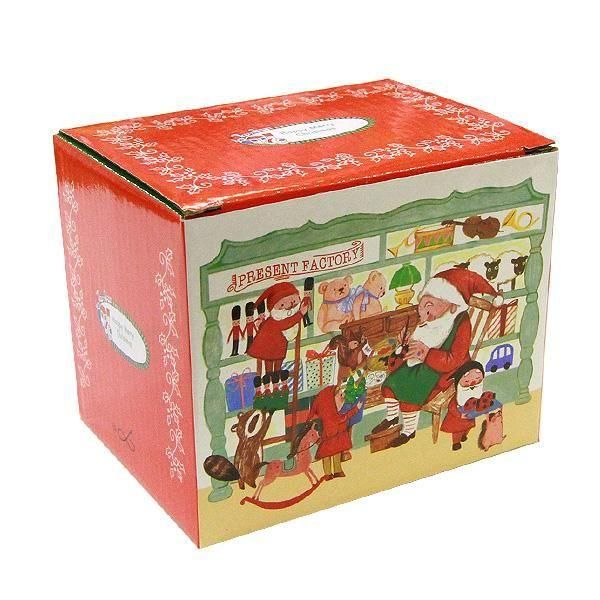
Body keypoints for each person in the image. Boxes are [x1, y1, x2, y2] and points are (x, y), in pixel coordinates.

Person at [372, 268, 503, 447]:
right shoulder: (431, 321)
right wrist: (406, 344)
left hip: (447, 370)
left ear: (452, 304)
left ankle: (408, 431)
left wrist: (427, 353)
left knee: (411, 387)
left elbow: (455, 359)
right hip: (422, 363)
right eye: (423, 306)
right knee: (393, 380)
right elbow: (418, 343)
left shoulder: (460, 322)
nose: (425, 313)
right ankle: (392, 417)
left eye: (430, 305)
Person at [247, 282, 309, 390]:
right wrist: (300, 314)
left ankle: (275, 382)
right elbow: (286, 323)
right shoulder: (276, 320)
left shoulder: (276, 318)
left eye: (293, 302)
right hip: (269, 347)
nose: (289, 306)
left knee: (277, 364)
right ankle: (270, 385)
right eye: (282, 305)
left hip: (278, 346)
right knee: (270, 365)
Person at [307, 384, 364, 480]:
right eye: (340, 395)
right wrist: (356, 409)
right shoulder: (329, 414)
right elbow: (342, 418)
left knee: (336, 452)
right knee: (327, 455)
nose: (343, 397)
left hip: (336, 437)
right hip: (330, 437)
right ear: (331, 399)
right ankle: (328, 473)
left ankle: (337, 471)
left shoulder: (332, 412)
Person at [441, 361, 485, 450]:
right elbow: (452, 408)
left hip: (470, 418)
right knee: (457, 432)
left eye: (478, 380)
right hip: (457, 420)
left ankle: (464, 435)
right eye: (467, 381)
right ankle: (456, 443)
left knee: (468, 428)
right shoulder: (458, 399)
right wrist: (460, 415)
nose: (472, 384)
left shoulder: (477, 394)